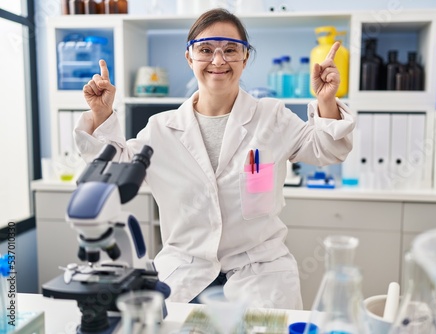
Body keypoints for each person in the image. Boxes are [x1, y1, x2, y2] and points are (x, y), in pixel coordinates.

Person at [74, 8, 355, 310]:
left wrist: (326, 100)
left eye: (230, 50)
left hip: (260, 274)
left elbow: (328, 149)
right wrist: (101, 114)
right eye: (206, 50)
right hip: (184, 272)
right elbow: (113, 175)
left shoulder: (272, 117)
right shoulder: (160, 128)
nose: (218, 60)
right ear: (189, 58)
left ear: (245, 58)